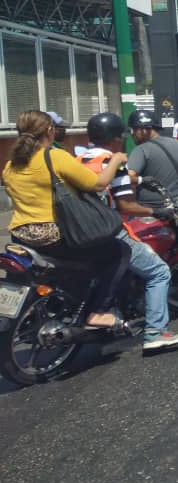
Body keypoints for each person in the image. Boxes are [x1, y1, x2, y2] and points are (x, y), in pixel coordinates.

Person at [4, 110, 129, 330]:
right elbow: (98, 184)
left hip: (20, 238)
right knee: (118, 252)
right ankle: (98, 311)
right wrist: (116, 159)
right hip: (52, 237)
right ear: (50, 131)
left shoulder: (9, 166)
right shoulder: (54, 157)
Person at [77, 112, 178, 352]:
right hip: (109, 231)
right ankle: (155, 332)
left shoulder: (80, 159)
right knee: (158, 271)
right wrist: (155, 211)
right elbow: (126, 206)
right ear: (118, 138)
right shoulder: (113, 162)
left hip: (80, 232)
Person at [126, 110, 178, 209]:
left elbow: (129, 178)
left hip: (153, 207)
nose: (132, 135)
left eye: (133, 130)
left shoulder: (141, 149)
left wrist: (141, 180)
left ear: (144, 130)